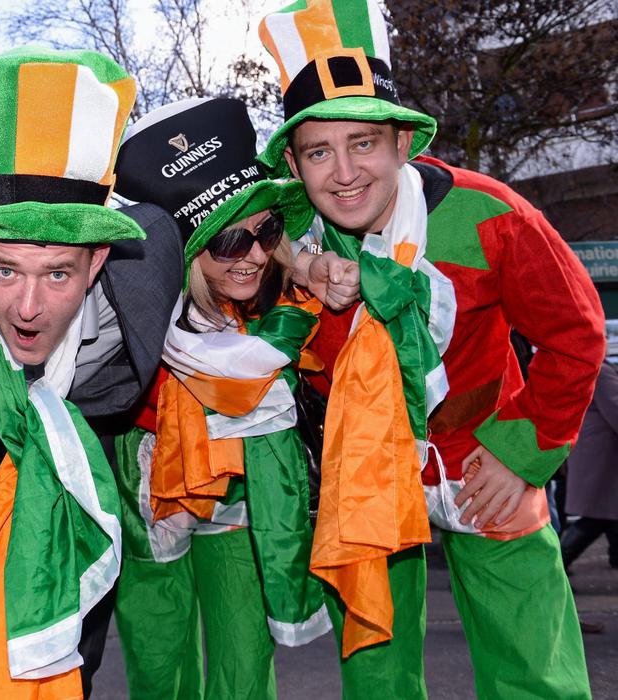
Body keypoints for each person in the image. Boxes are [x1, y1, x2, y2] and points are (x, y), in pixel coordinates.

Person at [258, 0, 606, 697]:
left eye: (363, 143)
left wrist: (520, 454)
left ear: (401, 143)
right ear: (294, 165)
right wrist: (292, 263)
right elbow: (190, 238)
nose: (346, 172)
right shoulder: (278, 235)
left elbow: (577, 334)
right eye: (320, 151)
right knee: (377, 676)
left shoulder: (493, 217)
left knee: (534, 669)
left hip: (487, 462)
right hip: (361, 475)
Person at [0, 48, 182, 699]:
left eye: (57, 272)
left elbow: (200, 224)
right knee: (1, 655)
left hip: (81, 484)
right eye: (5, 270)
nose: (27, 309)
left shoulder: (136, 295)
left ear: (99, 261)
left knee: (74, 661)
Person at [107, 96, 333, 699]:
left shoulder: (283, 310)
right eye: (232, 241)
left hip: (238, 504)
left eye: (266, 232)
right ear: (189, 253)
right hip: (151, 499)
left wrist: (308, 268)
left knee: (244, 668)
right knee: (160, 668)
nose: (256, 255)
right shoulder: (134, 318)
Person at [561, 361, 618, 572]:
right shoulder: (601, 371)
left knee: (608, 512)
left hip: (598, 456)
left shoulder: (593, 367)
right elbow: (615, 408)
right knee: (596, 517)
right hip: (602, 458)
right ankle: (557, 564)